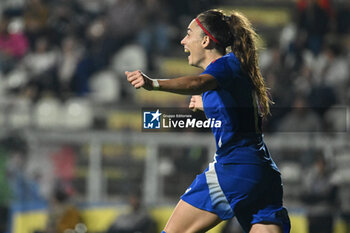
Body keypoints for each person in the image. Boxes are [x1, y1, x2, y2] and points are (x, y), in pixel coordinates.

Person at [125, 9, 291, 233]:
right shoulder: (235, 67)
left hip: (233, 170)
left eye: (188, 34)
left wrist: (153, 84)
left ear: (205, 40)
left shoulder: (223, 66)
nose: (183, 40)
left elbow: (197, 83)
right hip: (263, 175)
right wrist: (206, 105)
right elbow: (237, 109)